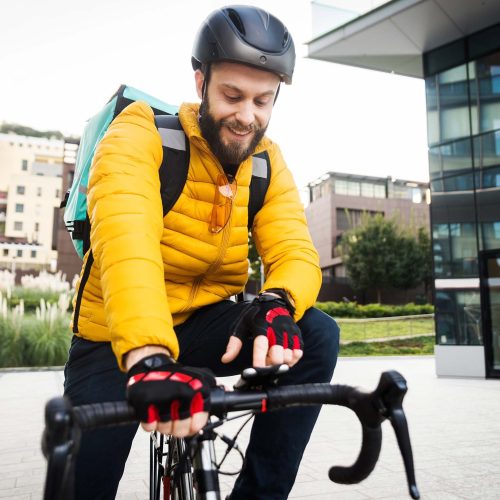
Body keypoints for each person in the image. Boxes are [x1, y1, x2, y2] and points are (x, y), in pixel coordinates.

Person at [64, 5, 340, 499]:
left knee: (315, 331)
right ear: (200, 82)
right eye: (232, 95)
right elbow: (128, 244)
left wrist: (277, 304)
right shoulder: (140, 134)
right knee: (83, 485)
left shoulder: (266, 163)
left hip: (207, 325)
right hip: (117, 337)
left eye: (263, 100)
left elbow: (295, 249)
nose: (247, 116)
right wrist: (148, 357)